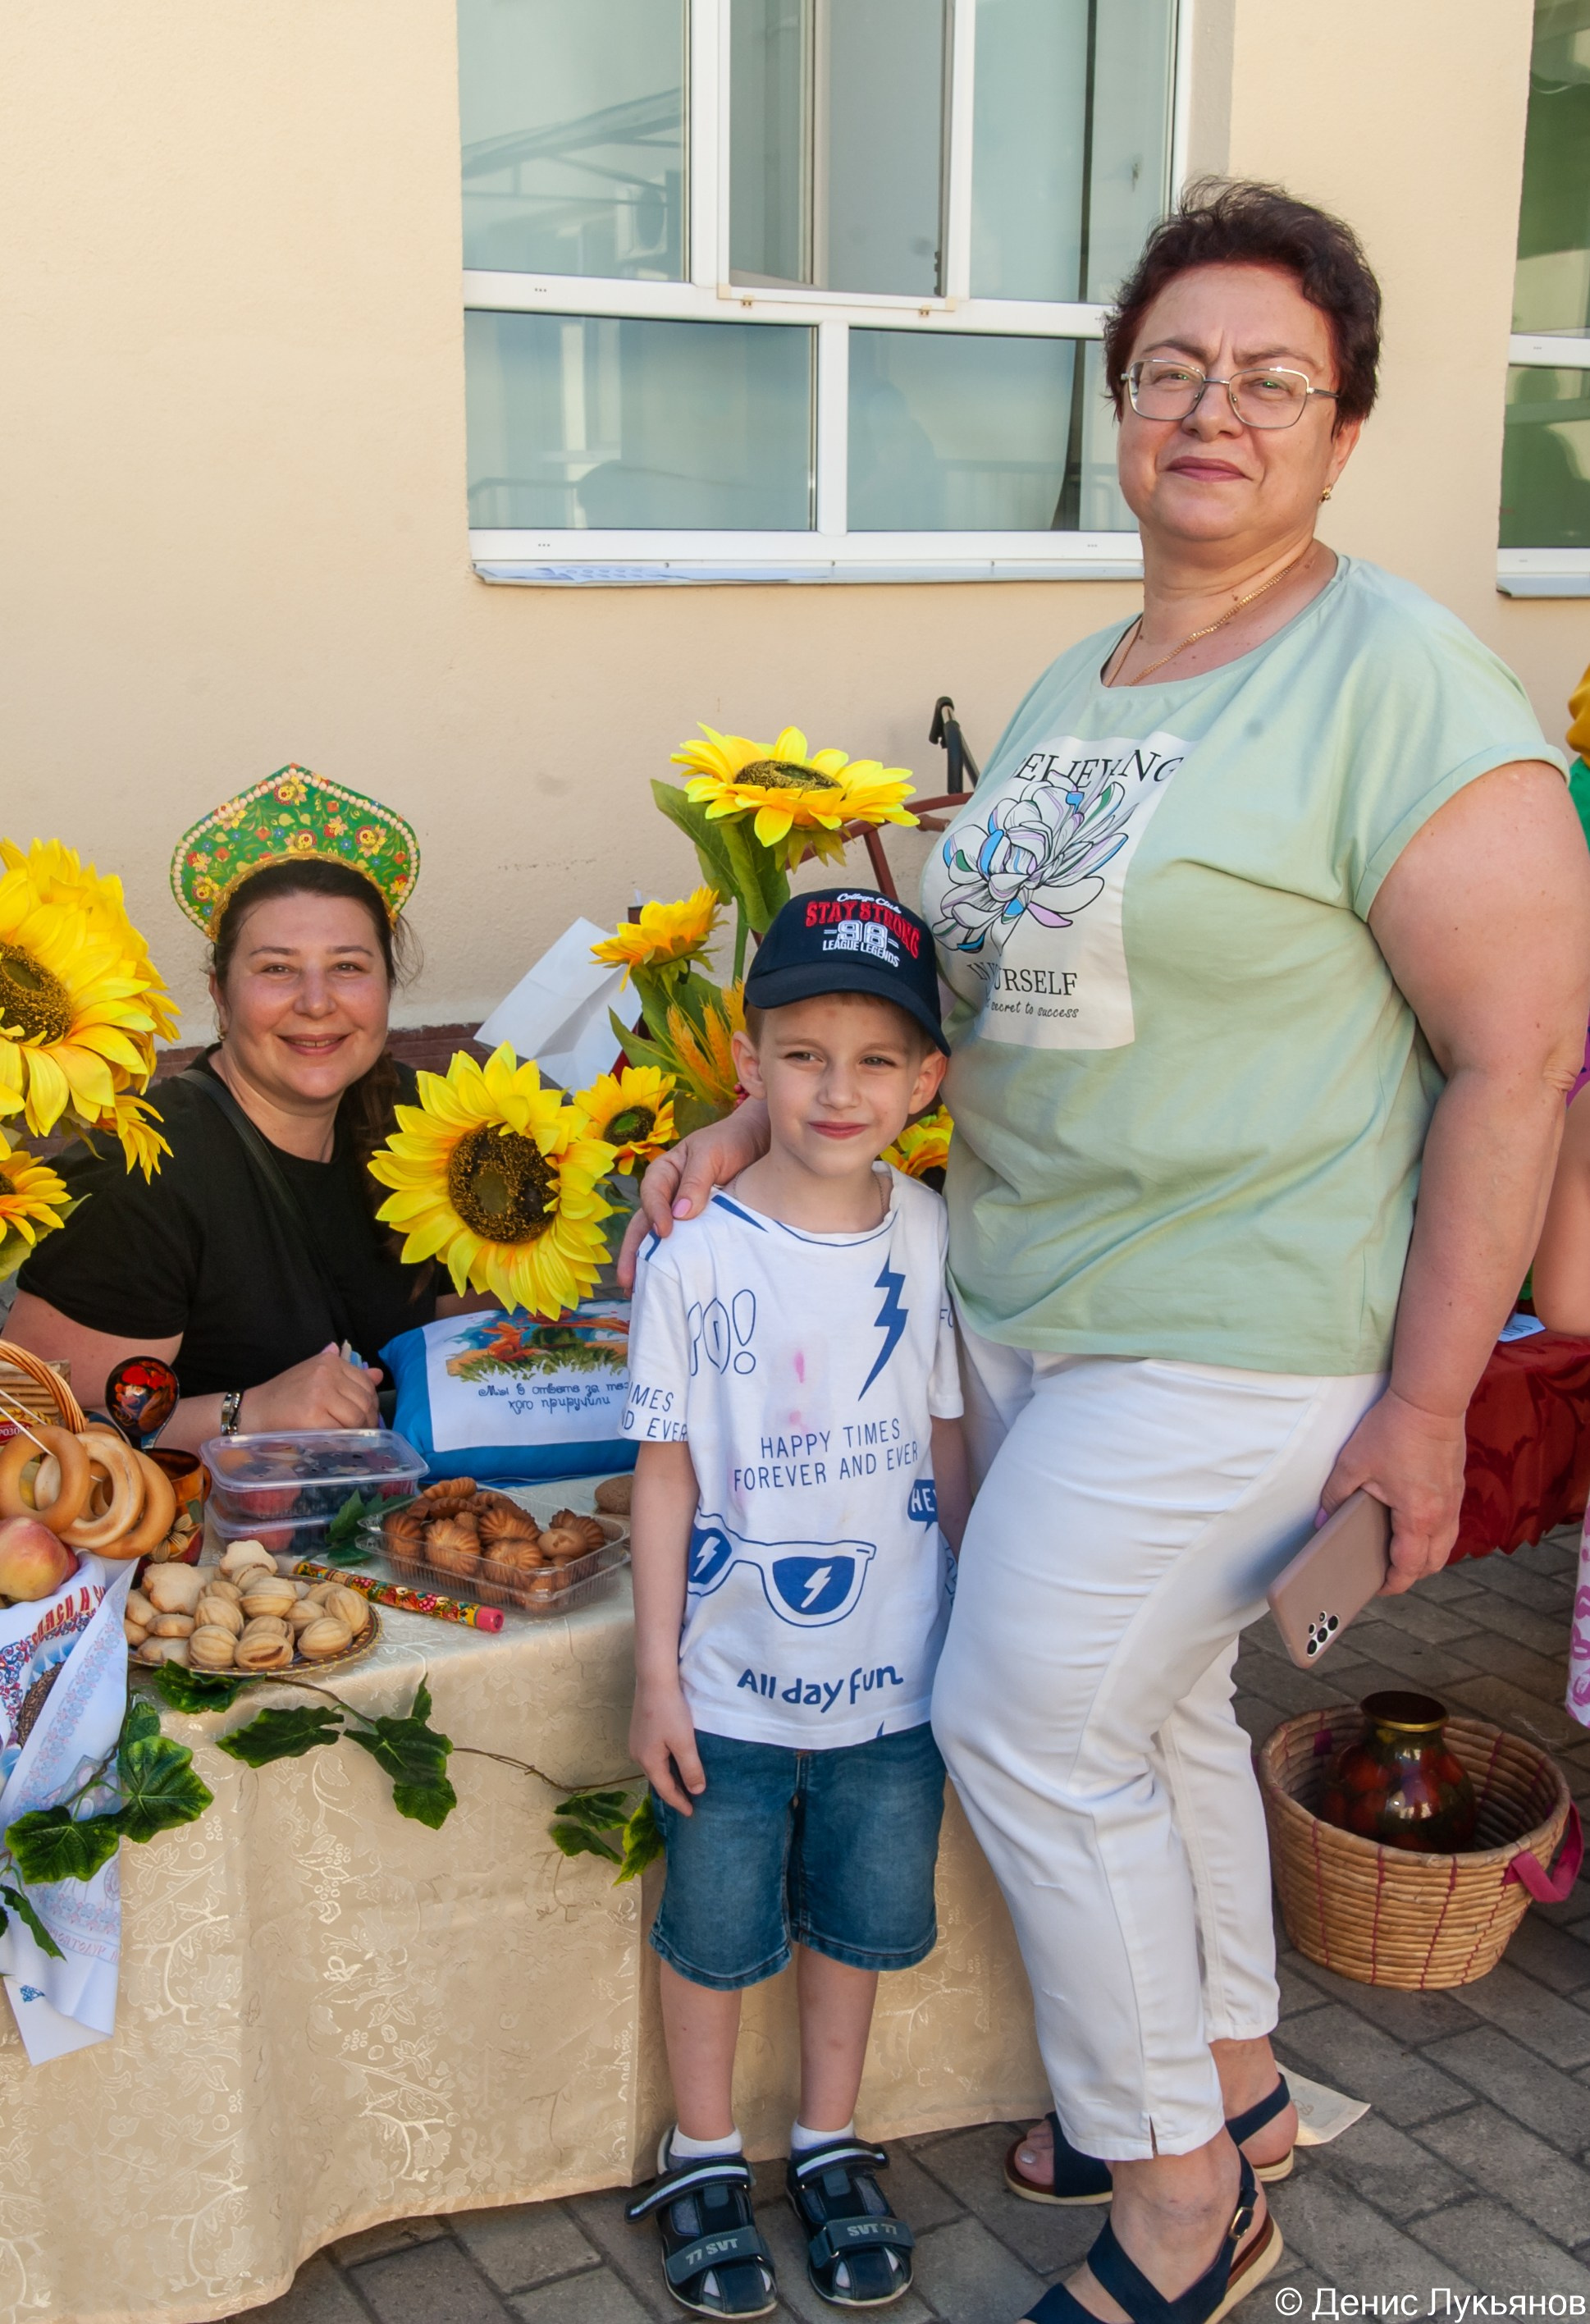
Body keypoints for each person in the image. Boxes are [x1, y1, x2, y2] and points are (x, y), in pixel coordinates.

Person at [625, 181, 1590, 2324]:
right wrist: (754, 1107)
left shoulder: (1412, 693)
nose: (1212, 410)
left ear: (1343, 432)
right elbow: (964, 1000)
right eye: (1170, 371)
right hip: (1028, 1313)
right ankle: (1230, 2085)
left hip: (1238, 1333)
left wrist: (1426, 1411)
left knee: (1023, 1712)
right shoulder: (1087, 678)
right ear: (1118, 413)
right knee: (1152, 1726)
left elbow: (1515, 1068)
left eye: (1271, 378)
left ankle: (1177, 2199)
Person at [622, 888, 970, 2318]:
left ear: (927, 1081)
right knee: (712, 1923)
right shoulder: (694, 1252)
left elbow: (943, 1434)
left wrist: (971, 1617)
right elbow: (660, 1477)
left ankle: (827, 2136)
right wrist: (656, 1674)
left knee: (859, 1918)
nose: (840, 1088)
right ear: (747, 1066)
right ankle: (700, 2150)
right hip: (730, 1682)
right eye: (804, 1052)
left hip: (897, 1675)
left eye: (877, 1058)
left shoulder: (933, 1232)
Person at [4, 768, 468, 1450]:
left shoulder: (424, 1123)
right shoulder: (142, 1180)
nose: (316, 1001)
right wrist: (247, 1413)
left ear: (387, 989)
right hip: (204, 1545)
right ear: (220, 996)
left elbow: (467, 1337)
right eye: (277, 968)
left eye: (348, 966)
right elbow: (33, 1425)